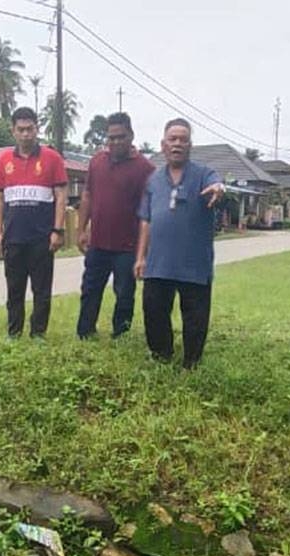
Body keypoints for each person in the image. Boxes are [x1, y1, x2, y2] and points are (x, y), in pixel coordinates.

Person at [134, 118, 225, 368]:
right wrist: (141, 257)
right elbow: (146, 220)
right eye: (172, 139)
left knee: (195, 317)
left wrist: (218, 189)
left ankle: (191, 362)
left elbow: (217, 184)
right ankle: (161, 355)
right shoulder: (153, 180)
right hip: (158, 264)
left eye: (182, 139)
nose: (177, 144)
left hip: (193, 264)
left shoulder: (203, 173)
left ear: (190, 145)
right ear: (163, 145)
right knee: (154, 312)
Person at [76, 112, 155, 339]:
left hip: (127, 247)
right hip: (98, 242)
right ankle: (85, 332)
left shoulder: (145, 169)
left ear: (131, 135)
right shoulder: (97, 162)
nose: (115, 142)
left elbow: (146, 214)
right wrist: (81, 230)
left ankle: (121, 334)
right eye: (111, 137)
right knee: (90, 289)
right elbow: (88, 195)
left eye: (120, 136)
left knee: (124, 293)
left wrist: (142, 251)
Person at [0, 107, 69, 338]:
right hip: (13, 239)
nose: (26, 134)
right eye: (21, 130)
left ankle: (38, 334)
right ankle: (13, 333)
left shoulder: (52, 158)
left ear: (37, 129)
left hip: (41, 239)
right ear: (13, 131)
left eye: (30, 129)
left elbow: (61, 196)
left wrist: (57, 230)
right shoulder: (4, 160)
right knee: (14, 290)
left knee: (41, 291)